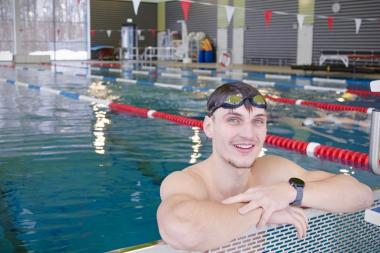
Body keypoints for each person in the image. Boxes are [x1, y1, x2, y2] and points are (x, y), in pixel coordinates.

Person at [156, 82, 373, 251]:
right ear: (209, 127)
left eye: (258, 121)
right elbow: (183, 229)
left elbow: (362, 195)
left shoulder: (271, 170)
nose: (249, 134)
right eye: (233, 120)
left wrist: (290, 192)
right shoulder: (187, 181)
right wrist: (264, 208)